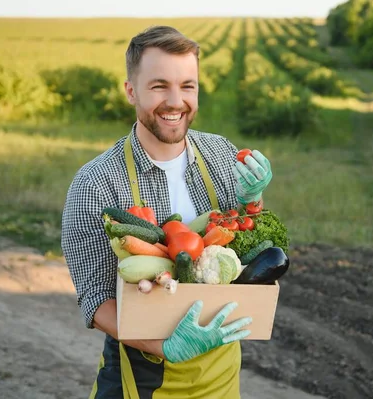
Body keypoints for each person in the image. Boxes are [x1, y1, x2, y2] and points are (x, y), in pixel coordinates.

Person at [61, 25, 273, 398]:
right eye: (159, 86)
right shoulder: (95, 184)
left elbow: (249, 243)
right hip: (142, 376)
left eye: (187, 86)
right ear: (131, 91)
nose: (176, 101)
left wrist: (253, 201)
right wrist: (166, 346)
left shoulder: (221, 154)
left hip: (221, 373)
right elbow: (95, 300)